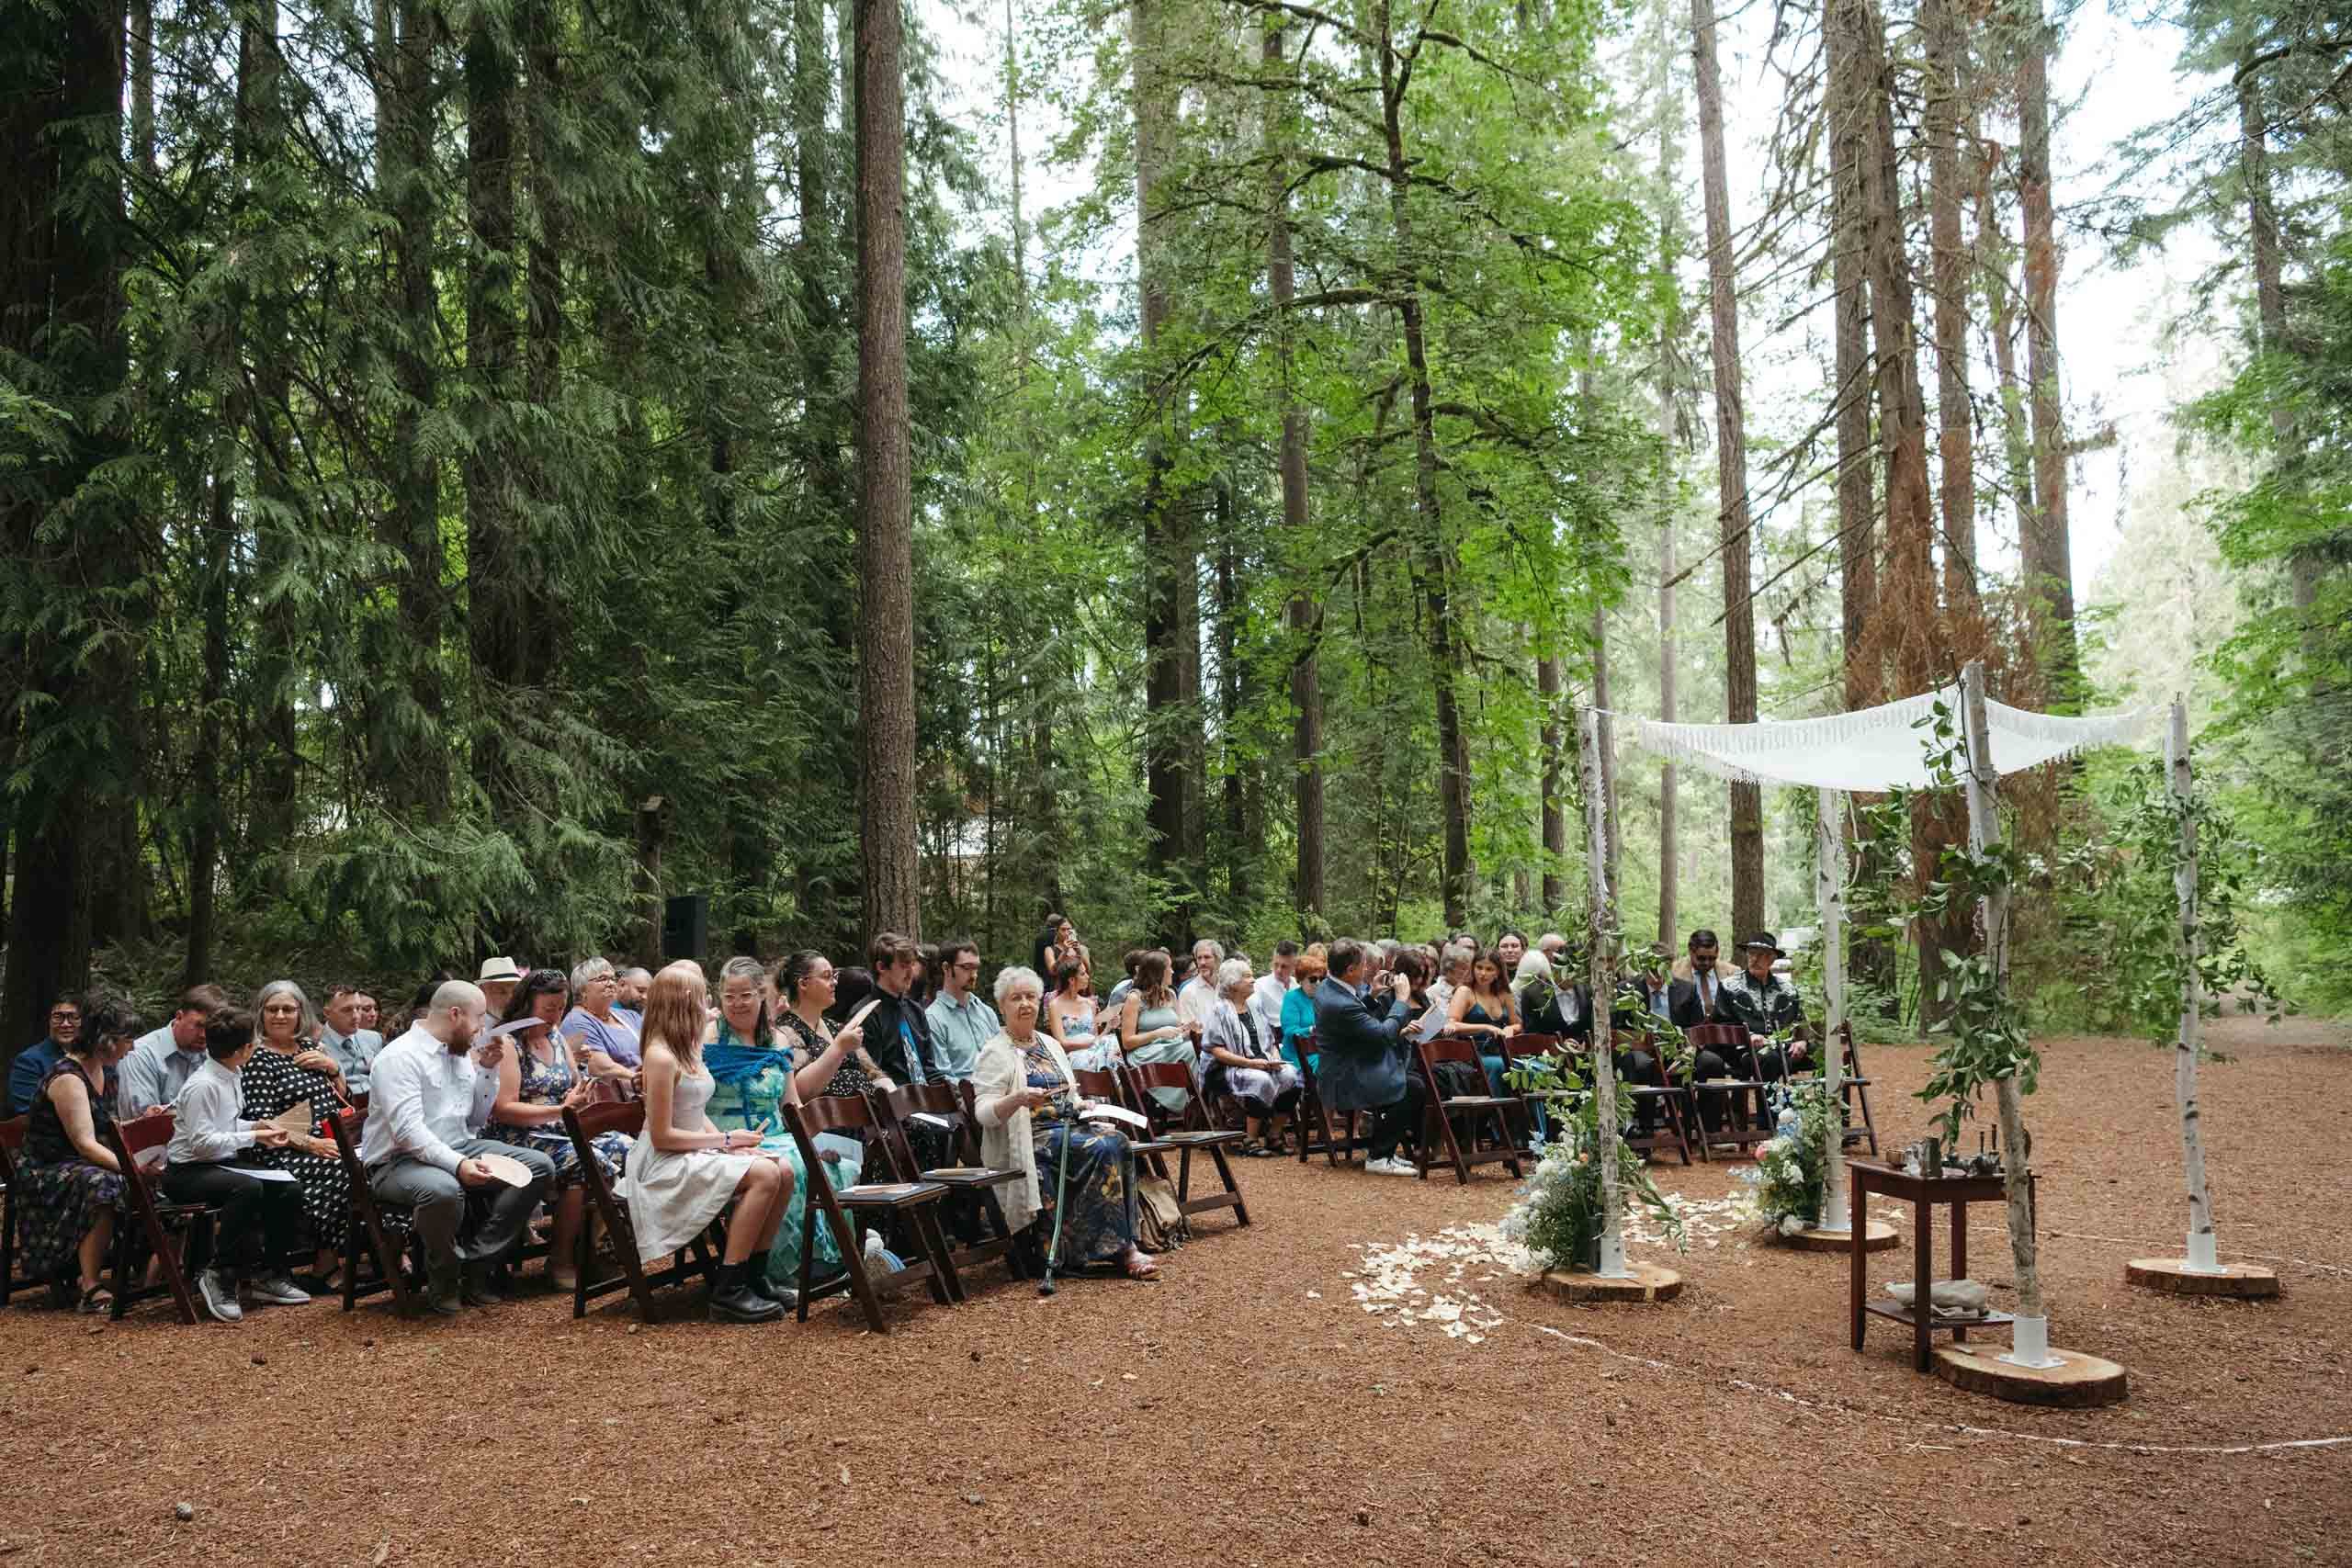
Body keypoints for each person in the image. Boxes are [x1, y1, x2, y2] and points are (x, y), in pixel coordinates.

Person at [359, 979, 558, 1314]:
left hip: (459, 1146)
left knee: (539, 1166)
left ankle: (477, 1263)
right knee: (444, 1190)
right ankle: (445, 1278)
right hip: (398, 1163)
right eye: (479, 1018)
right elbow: (408, 1133)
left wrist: (488, 1070)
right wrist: (457, 1164)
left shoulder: (458, 1051)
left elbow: (475, 1118)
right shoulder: (399, 1058)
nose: (483, 1028)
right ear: (455, 1014)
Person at [619, 962, 790, 1323]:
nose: (708, 1006)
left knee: (783, 1169)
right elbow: (663, 1136)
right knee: (764, 1176)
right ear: (683, 1003)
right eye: (702, 999)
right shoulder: (660, 1056)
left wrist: (733, 1146)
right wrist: (725, 1138)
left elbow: (696, 1111)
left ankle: (755, 1276)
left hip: (693, 1149)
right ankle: (729, 1288)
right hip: (664, 1161)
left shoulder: (687, 1049)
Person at [971, 966, 1156, 1281]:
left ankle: (1119, 1242)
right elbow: (984, 1113)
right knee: (1100, 1146)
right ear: (1002, 1006)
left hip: (1067, 1127)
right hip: (1029, 1136)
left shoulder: (1048, 1043)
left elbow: (1068, 1094)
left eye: (1030, 996)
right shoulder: (995, 1052)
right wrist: (1016, 1099)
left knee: (1117, 1139)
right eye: (1016, 998)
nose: (1025, 1004)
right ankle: (1119, 1250)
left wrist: (1083, 1105)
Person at [704, 956, 867, 1296]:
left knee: (827, 1163)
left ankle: (827, 1263)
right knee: (790, 1166)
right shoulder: (708, 1038)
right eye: (729, 996)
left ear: (761, 997)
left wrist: (814, 1141)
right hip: (725, 1137)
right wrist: (725, 1140)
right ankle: (779, 1270)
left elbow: (792, 1105)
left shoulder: (777, 1041)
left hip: (776, 1133)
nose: (737, 1004)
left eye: (745, 995)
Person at [482, 969, 628, 1292]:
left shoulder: (558, 1038)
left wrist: (582, 1094)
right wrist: (558, 1110)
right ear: (527, 1004)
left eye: (561, 1008)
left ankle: (596, 1248)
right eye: (548, 1008)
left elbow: (575, 1085)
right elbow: (503, 1108)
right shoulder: (509, 1043)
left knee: (625, 1146)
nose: (555, 1016)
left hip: (563, 1127)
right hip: (519, 1133)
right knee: (582, 1160)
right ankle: (561, 1258)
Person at [164, 1008, 311, 1322]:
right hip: (186, 1173)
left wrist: (260, 1128)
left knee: (288, 1186)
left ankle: (271, 1273)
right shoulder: (203, 1085)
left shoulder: (232, 1073)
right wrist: (254, 1137)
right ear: (241, 1050)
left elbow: (227, 1123)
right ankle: (220, 1273)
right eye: (252, 1042)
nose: (256, 1046)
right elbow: (202, 1144)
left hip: (219, 1164)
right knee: (247, 1188)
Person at [233, 978, 360, 1285]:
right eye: (272, 1009)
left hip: (326, 1137)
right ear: (260, 1014)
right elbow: (264, 1122)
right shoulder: (256, 1059)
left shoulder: (309, 1048)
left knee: (374, 1165)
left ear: (300, 1013)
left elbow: (340, 1098)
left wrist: (332, 1068)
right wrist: (313, 1144)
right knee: (341, 1170)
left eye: (287, 1009)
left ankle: (384, 1253)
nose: (279, 1016)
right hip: (278, 1149)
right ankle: (326, 1262)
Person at [14, 1004, 134, 1310]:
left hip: (79, 1163)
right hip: (47, 1171)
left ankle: (143, 1272)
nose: (131, 1047)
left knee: (152, 1176)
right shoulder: (68, 1077)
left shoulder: (106, 1071)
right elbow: (85, 1143)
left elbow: (109, 1128)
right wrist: (132, 1169)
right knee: (105, 1183)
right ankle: (90, 1285)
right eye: (126, 1039)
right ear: (106, 1040)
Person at [1312, 941, 1421, 1177]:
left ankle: (1386, 1152)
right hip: (1345, 1077)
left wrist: (1371, 995)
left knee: (1411, 1080)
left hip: (1355, 1063)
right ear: (1350, 970)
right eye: (1364, 965)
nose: (1368, 970)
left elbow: (1357, 1019)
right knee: (1413, 1086)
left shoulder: (1330, 987)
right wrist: (1401, 1000)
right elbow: (1382, 1035)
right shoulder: (1338, 1002)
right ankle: (1379, 1157)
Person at [1200, 957, 1300, 1156]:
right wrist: (1250, 1063)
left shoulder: (1255, 1005)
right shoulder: (1220, 1010)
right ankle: (1250, 1139)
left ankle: (1274, 1135)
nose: (1253, 980)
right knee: (1259, 1080)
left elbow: (1270, 1041)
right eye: (1247, 976)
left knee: (1292, 1076)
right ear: (1233, 984)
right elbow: (1215, 1050)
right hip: (1224, 1068)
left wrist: (1273, 1059)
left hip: (1260, 1062)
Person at [117, 983, 230, 1117]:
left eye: (212, 1028)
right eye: (199, 1025)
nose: (204, 1035)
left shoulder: (212, 1055)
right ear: (179, 1017)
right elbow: (142, 1126)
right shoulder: (142, 1055)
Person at [1115, 950, 1199, 1112]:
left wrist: (1187, 1029)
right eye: (1169, 967)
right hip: (1145, 1054)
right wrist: (1157, 1033)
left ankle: (1196, 1099)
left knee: (1198, 1047)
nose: (1173, 971)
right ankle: (1192, 1099)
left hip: (1172, 1047)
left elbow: (1177, 1029)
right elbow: (1127, 1042)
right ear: (1158, 972)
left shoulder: (1171, 994)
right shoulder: (1135, 998)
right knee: (1191, 1050)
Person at [1720, 932, 1810, 1079]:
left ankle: (1827, 1101)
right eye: (1751, 953)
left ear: (1772, 959)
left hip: (1783, 1047)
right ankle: (1773, 1102)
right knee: (1772, 1059)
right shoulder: (1728, 986)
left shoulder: (1788, 989)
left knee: (1826, 1053)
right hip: (1743, 1050)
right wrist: (1748, 1036)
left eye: (1761, 955)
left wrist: (1802, 1041)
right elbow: (1722, 1023)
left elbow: (1800, 1021)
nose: (1755, 959)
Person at [860, 932, 943, 1085]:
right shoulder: (865, 1015)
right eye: (904, 966)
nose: (911, 973)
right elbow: (873, 1078)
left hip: (928, 1098)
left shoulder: (916, 1011)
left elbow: (929, 1068)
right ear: (881, 967)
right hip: (894, 1101)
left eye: (912, 965)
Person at [1445, 945, 1521, 1096]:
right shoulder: (1465, 991)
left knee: (1530, 1068)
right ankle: (1494, 1113)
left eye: (1489, 969)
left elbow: (1518, 1024)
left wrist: (1511, 1029)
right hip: (1471, 1055)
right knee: (1502, 1065)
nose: (1482, 973)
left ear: (1498, 972)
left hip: (1501, 1051)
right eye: (1479, 967)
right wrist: (1486, 1027)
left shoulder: (1504, 994)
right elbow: (1451, 1024)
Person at [564, 957, 643, 1094]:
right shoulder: (575, 1022)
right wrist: (641, 1079)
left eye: (612, 978)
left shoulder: (631, 1016)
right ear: (582, 989)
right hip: (616, 1104)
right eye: (602, 979)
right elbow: (601, 1068)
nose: (611, 983)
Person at [924, 938, 999, 1082]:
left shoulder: (986, 1012)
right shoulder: (933, 1018)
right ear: (946, 968)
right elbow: (943, 1078)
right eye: (966, 968)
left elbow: (1004, 1059)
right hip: (966, 1099)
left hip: (1001, 1092)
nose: (974, 975)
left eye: (976, 967)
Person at [7, 996, 88, 1117]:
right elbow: (28, 1113)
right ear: (49, 1021)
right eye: (58, 1017)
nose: (65, 1024)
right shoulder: (29, 1061)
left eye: (73, 1017)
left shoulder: (92, 1058)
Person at [317, 985, 386, 1100]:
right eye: (347, 1010)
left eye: (359, 1008)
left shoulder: (374, 1038)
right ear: (327, 1013)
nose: (355, 1016)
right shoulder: (314, 1045)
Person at [1668, 929, 1738, 1029]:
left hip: (1724, 1032)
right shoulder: (1673, 973)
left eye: (1712, 958)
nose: (1707, 963)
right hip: (1688, 1031)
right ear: (1691, 951)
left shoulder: (1732, 973)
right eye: (1701, 958)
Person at [1043, 953, 1103, 1061]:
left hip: (1095, 1053)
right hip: (1072, 1056)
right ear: (1071, 980)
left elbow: (1095, 1036)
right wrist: (1091, 1044)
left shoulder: (1090, 1004)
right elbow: (1062, 1043)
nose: (1087, 977)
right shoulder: (1055, 1005)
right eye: (1083, 974)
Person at [1280, 945, 1326, 1072]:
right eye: (1313, 979)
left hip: (1322, 1049)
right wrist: (1311, 1029)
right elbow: (1290, 1032)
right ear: (1300, 980)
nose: (1318, 983)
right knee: (1329, 1065)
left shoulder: (1324, 998)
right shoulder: (1292, 998)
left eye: (1321, 979)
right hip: (1299, 1055)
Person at [1250, 942, 1297, 1054]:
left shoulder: (1297, 987)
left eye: (1284, 966)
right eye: (1276, 964)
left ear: (1294, 966)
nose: (1278, 970)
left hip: (1298, 1037)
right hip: (1274, 1040)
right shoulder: (1259, 986)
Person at [1176, 939, 1224, 1026]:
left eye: (1207, 957)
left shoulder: (1227, 987)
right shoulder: (1188, 992)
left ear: (1218, 959)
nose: (1202, 962)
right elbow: (1189, 1030)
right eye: (1199, 958)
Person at [477, 956, 524, 1020]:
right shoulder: (474, 1027)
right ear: (482, 990)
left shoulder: (522, 1023)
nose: (510, 999)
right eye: (502, 992)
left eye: (515, 992)